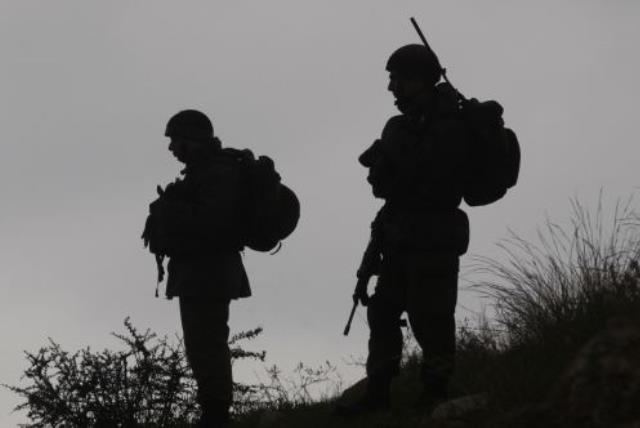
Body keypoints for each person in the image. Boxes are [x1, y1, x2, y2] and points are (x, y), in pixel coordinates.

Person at [341, 44, 471, 415]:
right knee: (382, 312)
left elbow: (428, 176)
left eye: (397, 79)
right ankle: (378, 392)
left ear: (418, 80)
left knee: (431, 317)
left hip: (433, 234)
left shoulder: (449, 123)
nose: (391, 87)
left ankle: (435, 392)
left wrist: (394, 171)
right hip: (399, 233)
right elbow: (387, 182)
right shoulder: (402, 124)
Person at [142, 109, 251, 427]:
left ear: (193, 140)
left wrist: (170, 210)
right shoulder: (202, 173)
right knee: (202, 343)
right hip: (201, 273)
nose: (171, 147)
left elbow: (210, 224)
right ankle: (213, 410)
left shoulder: (216, 173)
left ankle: (216, 414)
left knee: (208, 342)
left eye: (175, 140)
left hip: (210, 273)